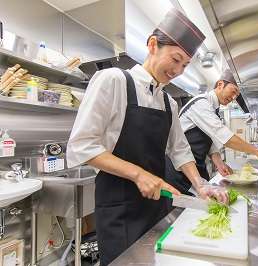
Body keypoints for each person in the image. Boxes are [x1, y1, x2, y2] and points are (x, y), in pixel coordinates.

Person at [67, 9, 228, 266]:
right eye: (175, 60)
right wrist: (140, 174)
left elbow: (180, 150)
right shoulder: (114, 80)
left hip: (156, 205)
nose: (177, 70)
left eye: (185, 65)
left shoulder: (168, 101)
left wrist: (200, 185)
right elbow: (81, 147)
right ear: (152, 45)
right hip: (119, 207)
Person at [165, 69, 258, 194]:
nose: (234, 97)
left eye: (237, 95)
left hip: (197, 168)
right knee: (184, 211)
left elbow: (210, 140)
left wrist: (219, 163)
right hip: (179, 171)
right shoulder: (201, 104)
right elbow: (225, 137)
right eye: (233, 91)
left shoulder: (213, 109)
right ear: (220, 85)